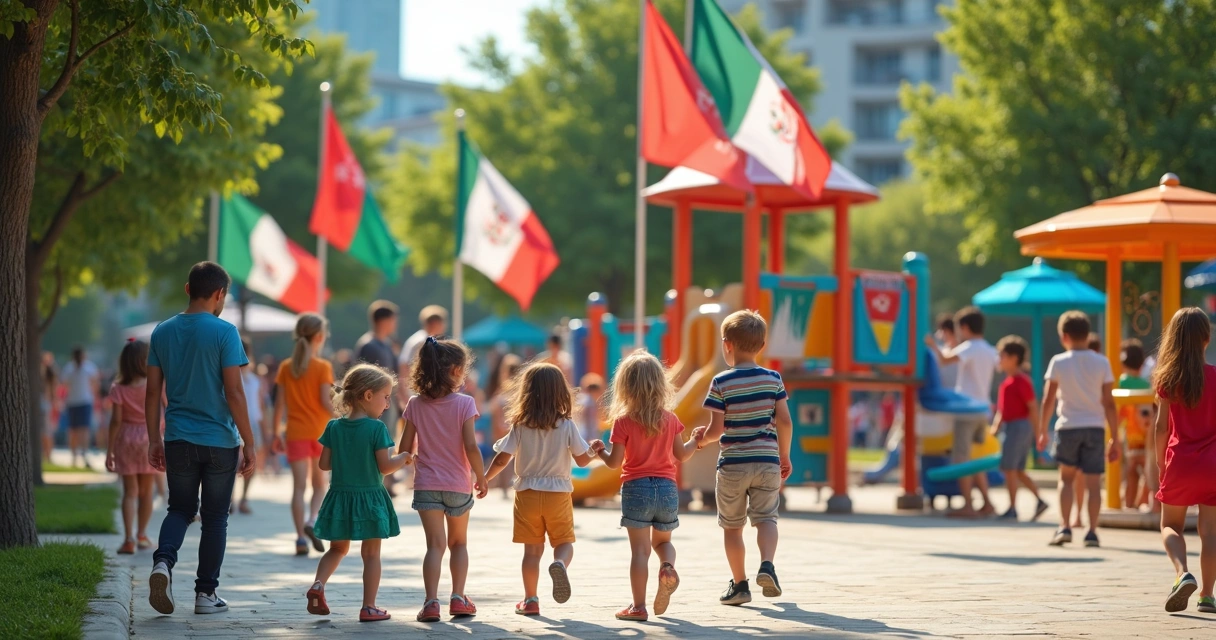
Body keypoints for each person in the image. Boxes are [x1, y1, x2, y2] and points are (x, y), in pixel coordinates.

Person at [146, 261, 256, 616]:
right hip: (219, 441)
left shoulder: (162, 331)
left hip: (177, 437)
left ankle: (163, 562)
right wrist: (250, 442)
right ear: (220, 294)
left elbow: (151, 393)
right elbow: (235, 392)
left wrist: (152, 439)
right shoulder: (225, 332)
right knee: (215, 518)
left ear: (187, 288)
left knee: (179, 509)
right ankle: (205, 595)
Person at [692, 310, 793, 607]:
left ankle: (740, 585)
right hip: (766, 461)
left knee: (733, 527)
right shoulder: (773, 379)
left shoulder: (721, 381)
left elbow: (717, 430)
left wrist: (700, 439)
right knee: (766, 519)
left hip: (733, 464)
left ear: (727, 344)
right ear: (762, 346)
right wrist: (783, 454)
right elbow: (785, 421)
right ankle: (767, 566)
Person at [590, 353, 699, 621]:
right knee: (663, 543)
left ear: (625, 387)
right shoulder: (671, 419)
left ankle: (638, 607)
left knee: (639, 551)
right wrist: (696, 440)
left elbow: (615, 463)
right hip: (667, 488)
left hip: (636, 488)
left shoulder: (624, 421)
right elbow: (682, 455)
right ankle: (668, 566)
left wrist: (600, 451)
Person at [484, 362, 597, 617]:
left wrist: (483, 478)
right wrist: (594, 450)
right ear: (561, 392)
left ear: (526, 392)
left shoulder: (521, 425)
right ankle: (559, 563)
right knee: (565, 542)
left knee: (532, 552)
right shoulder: (567, 425)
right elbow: (581, 460)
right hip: (558, 494)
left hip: (527, 495)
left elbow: (503, 458)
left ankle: (530, 600)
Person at [305, 364, 413, 622]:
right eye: (385, 397)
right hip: (369, 499)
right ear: (367, 396)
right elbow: (385, 467)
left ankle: (318, 585)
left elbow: (324, 464)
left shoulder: (334, 427)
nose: (387, 405)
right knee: (371, 554)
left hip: (340, 497)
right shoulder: (376, 429)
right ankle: (369, 606)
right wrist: (404, 458)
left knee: (336, 549)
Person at [398, 337, 487, 622]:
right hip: (457, 485)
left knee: (434, 545)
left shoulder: (415, 404)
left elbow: (404, 448)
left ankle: (431, 602)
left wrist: (411, 460)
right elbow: (471, 447)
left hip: (426, 485)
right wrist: (482, 477)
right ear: (456, 370)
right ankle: (458, 598)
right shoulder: (465, 404)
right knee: (458, 544)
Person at [1151, 307, 1216, 613]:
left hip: (1180, 462)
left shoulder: (1167, 379)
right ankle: (1206, 595)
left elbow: (1161, 427)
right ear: (1206, 339)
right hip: (1213, 465)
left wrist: (1161, 464)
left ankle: (1182, 573)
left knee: (1171, 526)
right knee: (1211, 532)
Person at [1039, 311, 1119, 548]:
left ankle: (1064, 527)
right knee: (1094, 484)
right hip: (1095, 428)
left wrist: (1042, 430)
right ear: (1087, 333)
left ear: (1064, 336)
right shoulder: (1102, 362)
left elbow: (1048, 399)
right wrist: (1114, 436)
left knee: (1066, 479)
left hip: (1068, 427)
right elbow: (1110, 403)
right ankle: (1092, 531)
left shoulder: (1059, 361)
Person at [924, 307, 1000, 518]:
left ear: (965, 328)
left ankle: (968, 504)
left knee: (962, 459)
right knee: (976, 459)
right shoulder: (989, 349)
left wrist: (932, 345)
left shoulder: (969, 347)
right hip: (983, 409)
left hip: (966, 410)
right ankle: (986, 502)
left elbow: (944, 360)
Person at [272, 313, 335, 556]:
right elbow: (324, 401)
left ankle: (299, 538)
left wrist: (275, 432)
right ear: (319, 337)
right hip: (320, 434)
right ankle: (312, 520)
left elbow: (279, 405)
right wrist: (343, 417)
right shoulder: (322, 367)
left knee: (298, 488)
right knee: (319, 485)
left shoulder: (286, 367)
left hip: (295, 433)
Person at [106, 339, 161, 554]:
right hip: (150, 437)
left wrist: (110, 450)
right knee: (147, 492)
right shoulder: (155, 383)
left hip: (126, 439)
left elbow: (116, 421)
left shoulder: (117, 387)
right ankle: (142, 535)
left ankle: (128, 539)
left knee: (130, 492)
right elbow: (167, 406)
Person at [990, 336, 1049, 521]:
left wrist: (1039, 431)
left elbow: (1032, 406)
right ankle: (1040, 500)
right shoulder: (1006, 383)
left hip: (1019, 427)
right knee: (1018, 470)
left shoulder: (1021, 381)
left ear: (1014, 358)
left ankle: (1013, 508)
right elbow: (1001, 410)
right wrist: (995, 428)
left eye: (1002, 355)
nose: (999, 359)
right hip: (1011, 427)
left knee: (1010, 468)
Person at [354, 300, 402, 494]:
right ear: (384, 320)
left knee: (387, 440)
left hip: (388, 402)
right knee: (373, 441)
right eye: (393, 320)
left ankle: (387, 483)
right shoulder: (368, 345)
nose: (395, 324)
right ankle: (374, 481)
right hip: (372, 404)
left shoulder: (387, 344)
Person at [231, 338, 266, 515]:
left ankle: (238, 498)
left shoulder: (253, 379)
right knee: (241, 462)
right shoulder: (238, 377)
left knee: (244, 462)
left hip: (245, 422)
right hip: (240, 421)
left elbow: (259, 404)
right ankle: (237, 498)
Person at [1118, 339, 1152, 510]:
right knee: (1148, 472)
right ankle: (1142, 499)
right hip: (1146, 436)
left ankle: (1130, 503)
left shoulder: (1122, 382)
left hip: (1131, 436)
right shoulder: (1147, 385)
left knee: (1131, 472)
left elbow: (1120, 413)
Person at [487, 354, 524, 496]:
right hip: (514, 424)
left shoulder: (503, 389)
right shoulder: (520, 390)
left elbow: (496, 408)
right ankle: (509, 483)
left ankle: (504, 486)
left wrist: (497, 425)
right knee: (514, 457)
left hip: (502, 424)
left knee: (502, 455)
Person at [397, 305, 448, 403]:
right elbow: (405, 367)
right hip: (417, 394)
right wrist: (405, 396)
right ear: (435, 324)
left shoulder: (421, 340)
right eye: (442, 324)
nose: (444, 328)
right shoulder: (421, 342)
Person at [61, 346, 100, 469]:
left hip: (74, 401)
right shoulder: (88, 367)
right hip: (83, 401)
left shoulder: (69, 368)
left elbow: (65, 385)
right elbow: (95, 383)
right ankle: (82, 454)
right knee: (83, 430)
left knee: (74, 430)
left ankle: (76, 456)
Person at [576, 372, 606, 443]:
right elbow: (588, 423)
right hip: (587, 436)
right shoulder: (590, 403)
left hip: (586, 434)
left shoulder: (584, 400)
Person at [41, 351, 59, 463]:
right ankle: (47, 455)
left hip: (44, 403)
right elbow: (54, 391)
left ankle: (46, 455)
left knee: (45, 432)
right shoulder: (51, 374)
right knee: (48, 432)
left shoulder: (45, 373)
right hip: (47, 404)